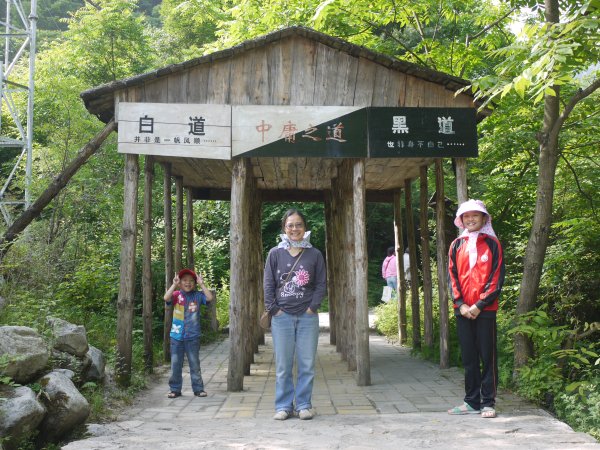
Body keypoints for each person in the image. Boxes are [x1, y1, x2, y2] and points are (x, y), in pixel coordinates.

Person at [263, 209, 327, 421]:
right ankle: (283, 405)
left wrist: (313, 307)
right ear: (284, 228)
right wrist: (275, 310)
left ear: (304, 227)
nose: (294, 229)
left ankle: (303, 405)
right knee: (283, 365)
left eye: (298, 224)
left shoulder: (314, 254)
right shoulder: (275, 253)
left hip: (307, 316)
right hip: (282, 317)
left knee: (307, 364)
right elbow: (268, 284)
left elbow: (321, 284)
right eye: (290, 225)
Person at [447, 199, 505, 419]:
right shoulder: (456, 245)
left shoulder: (492, 243)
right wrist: (461, 304)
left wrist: (480, 304)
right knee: (469, 356)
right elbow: (452, 276)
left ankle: (488, 402)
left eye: (475, 215)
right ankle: (471, 401)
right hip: (462, 310)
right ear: (461, 220)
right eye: (466, 216)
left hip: (485, 310)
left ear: (484, 219)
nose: (471, 219)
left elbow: (497, 277)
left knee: (487, 356)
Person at [164, 268, 215, 399]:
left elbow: (209, 298)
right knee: (176, 364)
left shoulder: (198, 295)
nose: (188, 283)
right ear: (180, 283)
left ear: (195, 283)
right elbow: (166, 297)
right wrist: (174, 284)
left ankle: (198, 389)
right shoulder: (176, 295)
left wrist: (202, 284)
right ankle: (175, 389)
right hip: (177, 336)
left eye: (191, 281)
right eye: (184, 280)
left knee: (194, 363)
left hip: (193, 336)